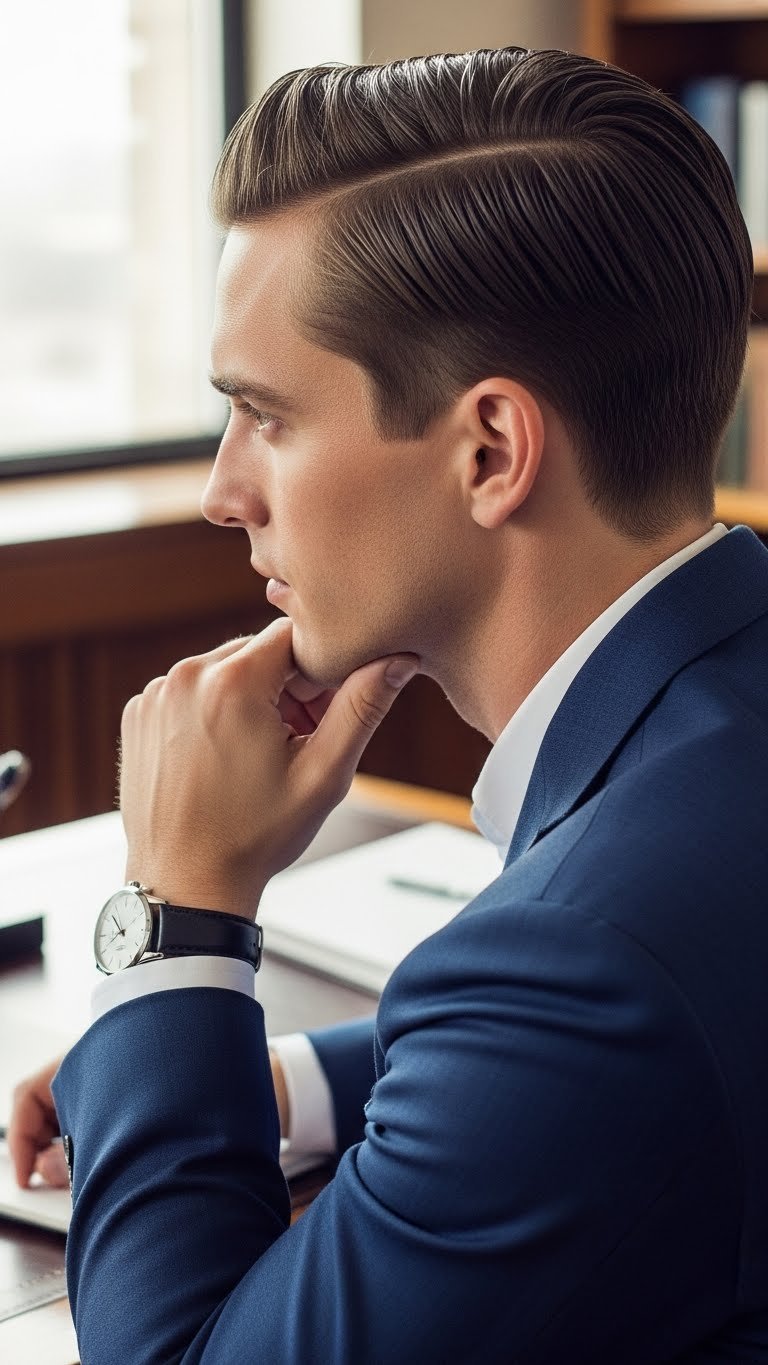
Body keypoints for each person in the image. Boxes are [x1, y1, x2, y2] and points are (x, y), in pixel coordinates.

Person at [8, 45, 768, 1363]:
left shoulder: (583, 974)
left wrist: (179, 913)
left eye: (266, 415)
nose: (223, 489)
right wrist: (293, 1083)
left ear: (489, 450)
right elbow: (632, 1058)